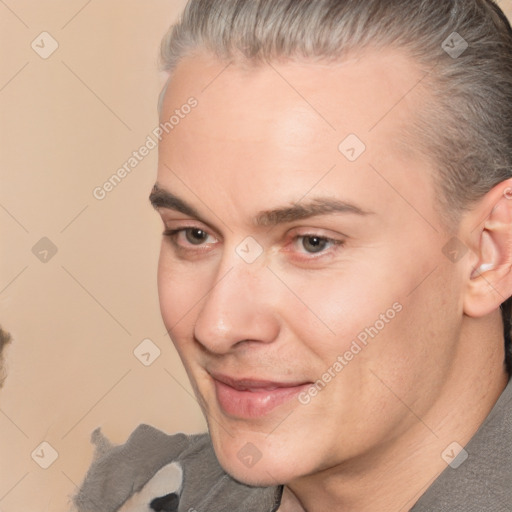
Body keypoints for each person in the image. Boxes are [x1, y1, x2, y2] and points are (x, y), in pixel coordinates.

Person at [74, 0, 512, 510]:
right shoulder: (133, 494)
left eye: (312, 242)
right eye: (193, 234)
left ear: (490, 250)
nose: (216, 326)